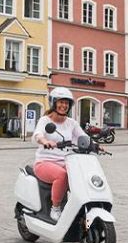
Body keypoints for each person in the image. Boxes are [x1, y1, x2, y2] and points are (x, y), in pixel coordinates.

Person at [32, 87, 91, 221]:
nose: (64, 105)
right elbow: (38, 134)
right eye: (61, 102)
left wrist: (96, 145)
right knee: (62, 175)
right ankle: (56, 208)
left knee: (81, 176)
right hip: (44, 162)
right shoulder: (45, 121)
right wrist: (45, 141)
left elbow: (82, 136)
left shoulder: (71, 123)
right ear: (53, 102)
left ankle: (78, 209)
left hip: (66, 162)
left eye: (67, 103)